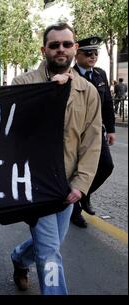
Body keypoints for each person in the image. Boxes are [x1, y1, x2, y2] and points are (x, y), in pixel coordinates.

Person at [10, 23, 101, 295]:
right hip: (35, 184)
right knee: (50, 253)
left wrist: (80, 185)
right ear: (44, 50)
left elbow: (92, 142)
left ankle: (19, 257)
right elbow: (13, 132)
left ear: (74, 48)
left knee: (52, 244)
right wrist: (51, 93)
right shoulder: (22, 84)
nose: (60, 49)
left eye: (66, 44)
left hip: (67, 186)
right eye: (54, 45)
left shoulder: (88, 91)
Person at [71, 36, 115, 228]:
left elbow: (107, 104)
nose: (93, 56)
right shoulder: (69, 75)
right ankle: (74, 210)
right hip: (75, 133)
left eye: (96, 53)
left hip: (96, 132)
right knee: (74, 170)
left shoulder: (99, 74)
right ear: (77, 54)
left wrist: (111, 129)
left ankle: (83, 195)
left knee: (106, 166)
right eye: (88, 53)